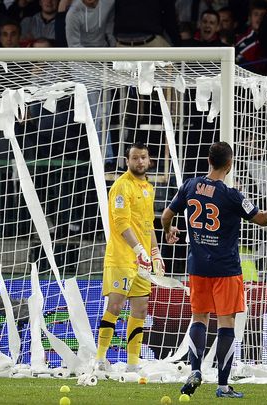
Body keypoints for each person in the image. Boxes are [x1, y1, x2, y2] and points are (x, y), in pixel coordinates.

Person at [160, 141, 267, 399]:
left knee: (199, 318)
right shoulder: (232, 196)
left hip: (197, 267)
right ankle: (222, 385)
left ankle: (195, 370)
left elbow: (166, 215)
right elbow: (263, 219)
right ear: (229, 165)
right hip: (226, 269)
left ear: (209, 161)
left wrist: (168, 230)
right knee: (226, 323)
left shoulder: (190, 186)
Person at [94, 142, 164, 373]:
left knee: (141, 310)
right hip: (122, 257)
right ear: (127, 161)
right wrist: (139, 250)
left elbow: (148, 225)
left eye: (143, 157)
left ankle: (133, 363)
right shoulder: (121, 187)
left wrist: (154, 253)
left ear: (149, 160)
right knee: (115, 305)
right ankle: (100, 358)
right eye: (135, 158)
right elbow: (121, 223)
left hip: (142, 261)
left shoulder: (148, 188)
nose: (139, 162)